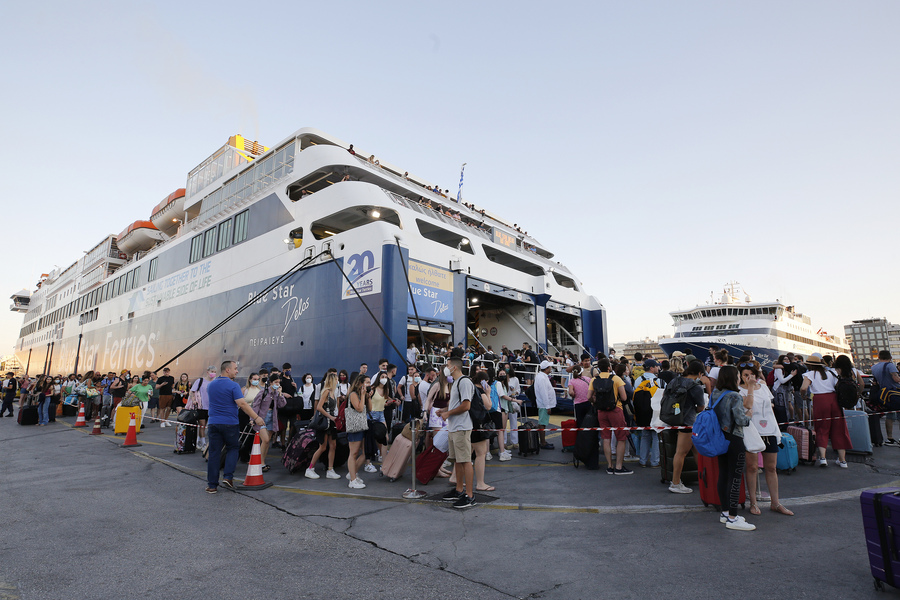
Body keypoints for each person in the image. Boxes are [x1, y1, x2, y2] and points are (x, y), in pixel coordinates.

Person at [738, 361, 793, 517]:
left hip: (768, 429)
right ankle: (753, 502)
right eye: (745, 375)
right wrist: (749, 387)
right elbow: (747, 406)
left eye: (751, 374)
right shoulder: (739, 390)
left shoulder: (763, 387)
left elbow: (770, 406)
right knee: (752, 467)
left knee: (771, 467)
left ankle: (775, 502)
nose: (749, 377)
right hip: (751, 431)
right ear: (741, 376)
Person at [205, 361, 266, 493]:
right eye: (235, 369)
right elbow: (242, 404)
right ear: (227, 370)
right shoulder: (233, 386)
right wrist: (256, 418)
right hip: (230, 423)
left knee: (214, 453)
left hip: (213, 422)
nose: (237, 371)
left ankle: (212, 485)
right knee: (233, 448)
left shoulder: (211, 385)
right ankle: (228, 477)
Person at [711, 365, 755, 531]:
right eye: (737, 375)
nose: (739, 378)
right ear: (733, 378)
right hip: (734, 438)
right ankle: (733, 517)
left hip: (720, 438)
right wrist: (749, 415)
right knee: (736, 476)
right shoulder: (735, 396)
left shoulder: (715, 394)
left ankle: (725, 512)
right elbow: (741, 420)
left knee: (723, 475)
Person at [437, 353, 477, 509]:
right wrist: (445, 410)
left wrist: (448, 413)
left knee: (465, 460)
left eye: (447, 366)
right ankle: (459, 490)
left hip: (461, 427)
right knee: (458, 461)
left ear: (454, 367)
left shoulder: (464, 382)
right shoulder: (456, 383)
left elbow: (466, 406)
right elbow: (457, 405)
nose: (446, 368)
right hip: (454, 427)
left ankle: (470, 495)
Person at [800, 353, 851, 467]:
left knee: (822, 427)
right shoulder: (831, 372)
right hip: (834, 399)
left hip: (820, 400)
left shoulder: (809, 374)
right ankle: (842, 460)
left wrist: (803, 395)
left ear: (809, 365)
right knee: (839, 428)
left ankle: (823, 458)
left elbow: (804, 388)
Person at [667, 360, 706, 494]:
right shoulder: (696, 387)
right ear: (700, 373)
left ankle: (704, 478)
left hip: (673, 418)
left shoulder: (675, 381)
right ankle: (675, 483)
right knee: (681, 453)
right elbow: (701, 407)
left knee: (697, 450)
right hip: (688, 422)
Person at [589, 359, 632, 475]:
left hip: (601, 411)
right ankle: (618, 467)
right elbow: (623, 397)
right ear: (609, 367)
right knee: (621, 438)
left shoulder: (594, 379)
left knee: (606, 438)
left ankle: (609, 466)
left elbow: (589, 396)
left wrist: (595, 402)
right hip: (616, 410)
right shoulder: (616, 379)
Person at [306, 372, 341, 480]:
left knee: (333, 446)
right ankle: (310, 468)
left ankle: (330, 469)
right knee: (322, 447)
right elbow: (319, 407)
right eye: (336, 379)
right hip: (325, 422)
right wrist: (330, 416)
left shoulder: (333, 392)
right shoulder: (326, 391)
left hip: (332, 423)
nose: (337, 381)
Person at [250, 372, 285, 472]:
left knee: (266, 442)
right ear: (270, 382)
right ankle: (259, 463)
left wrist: (280, 394)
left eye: (278, 382)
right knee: (265, 440)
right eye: (275, 382)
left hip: (271, 418)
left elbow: (282, 405)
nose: (277, 384)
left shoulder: (276, 393)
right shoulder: (263, 392)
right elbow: (255, 406)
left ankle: (262, 462)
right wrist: (253, 419)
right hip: (262, 418)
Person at [471, 371, 496, 491]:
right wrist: (488, 393)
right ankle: (480, 483)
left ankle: (455, 476)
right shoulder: (481, 392)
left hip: (467, 424)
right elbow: (489, 406)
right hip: (477, 424)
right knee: (481, 453)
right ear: (483, 381)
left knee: (466, 452)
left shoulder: (470, 388)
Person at [346, 375, 372, 489]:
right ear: (360, 383)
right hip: (355, 427)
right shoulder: (353, 395)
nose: (369, 384)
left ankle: (353, 473)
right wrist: (362, 395)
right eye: (367, 382)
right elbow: (360, 409)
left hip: (362, 426)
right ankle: (352, 480)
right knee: (354, 453)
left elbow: (369, 409)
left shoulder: (363, 395)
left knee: (365, 452)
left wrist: (368, 397)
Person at [872, 351, 900, 446]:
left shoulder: (874, 367)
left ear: (879, 357)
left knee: (889, 416)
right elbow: (896, 378)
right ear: (890, 357)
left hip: (884, 394)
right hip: (895, 393)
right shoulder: (890, 365)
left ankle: (890, 438)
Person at [191, 366, 217, 449]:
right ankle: (203, 443)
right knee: (202, 425)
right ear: (207, 372)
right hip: (201, 406)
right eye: (212, 371)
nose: (213, 373)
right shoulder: (200, 381)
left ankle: (199, 439)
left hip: (212, 407)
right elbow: (192, 391)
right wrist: (194, 400)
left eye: (215, 372)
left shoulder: (216, 382)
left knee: (208, 426)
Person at [534, 360, 557, 450]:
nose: (551, 368)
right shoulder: (542, 378)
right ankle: (543, 442)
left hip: (543, 404)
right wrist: (548, 406)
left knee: (542, 423)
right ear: (546, 368)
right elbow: (544, 393)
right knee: (542, 423)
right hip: (544, 404)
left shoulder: (541, 376)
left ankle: (543, 441)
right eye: (550, 367)